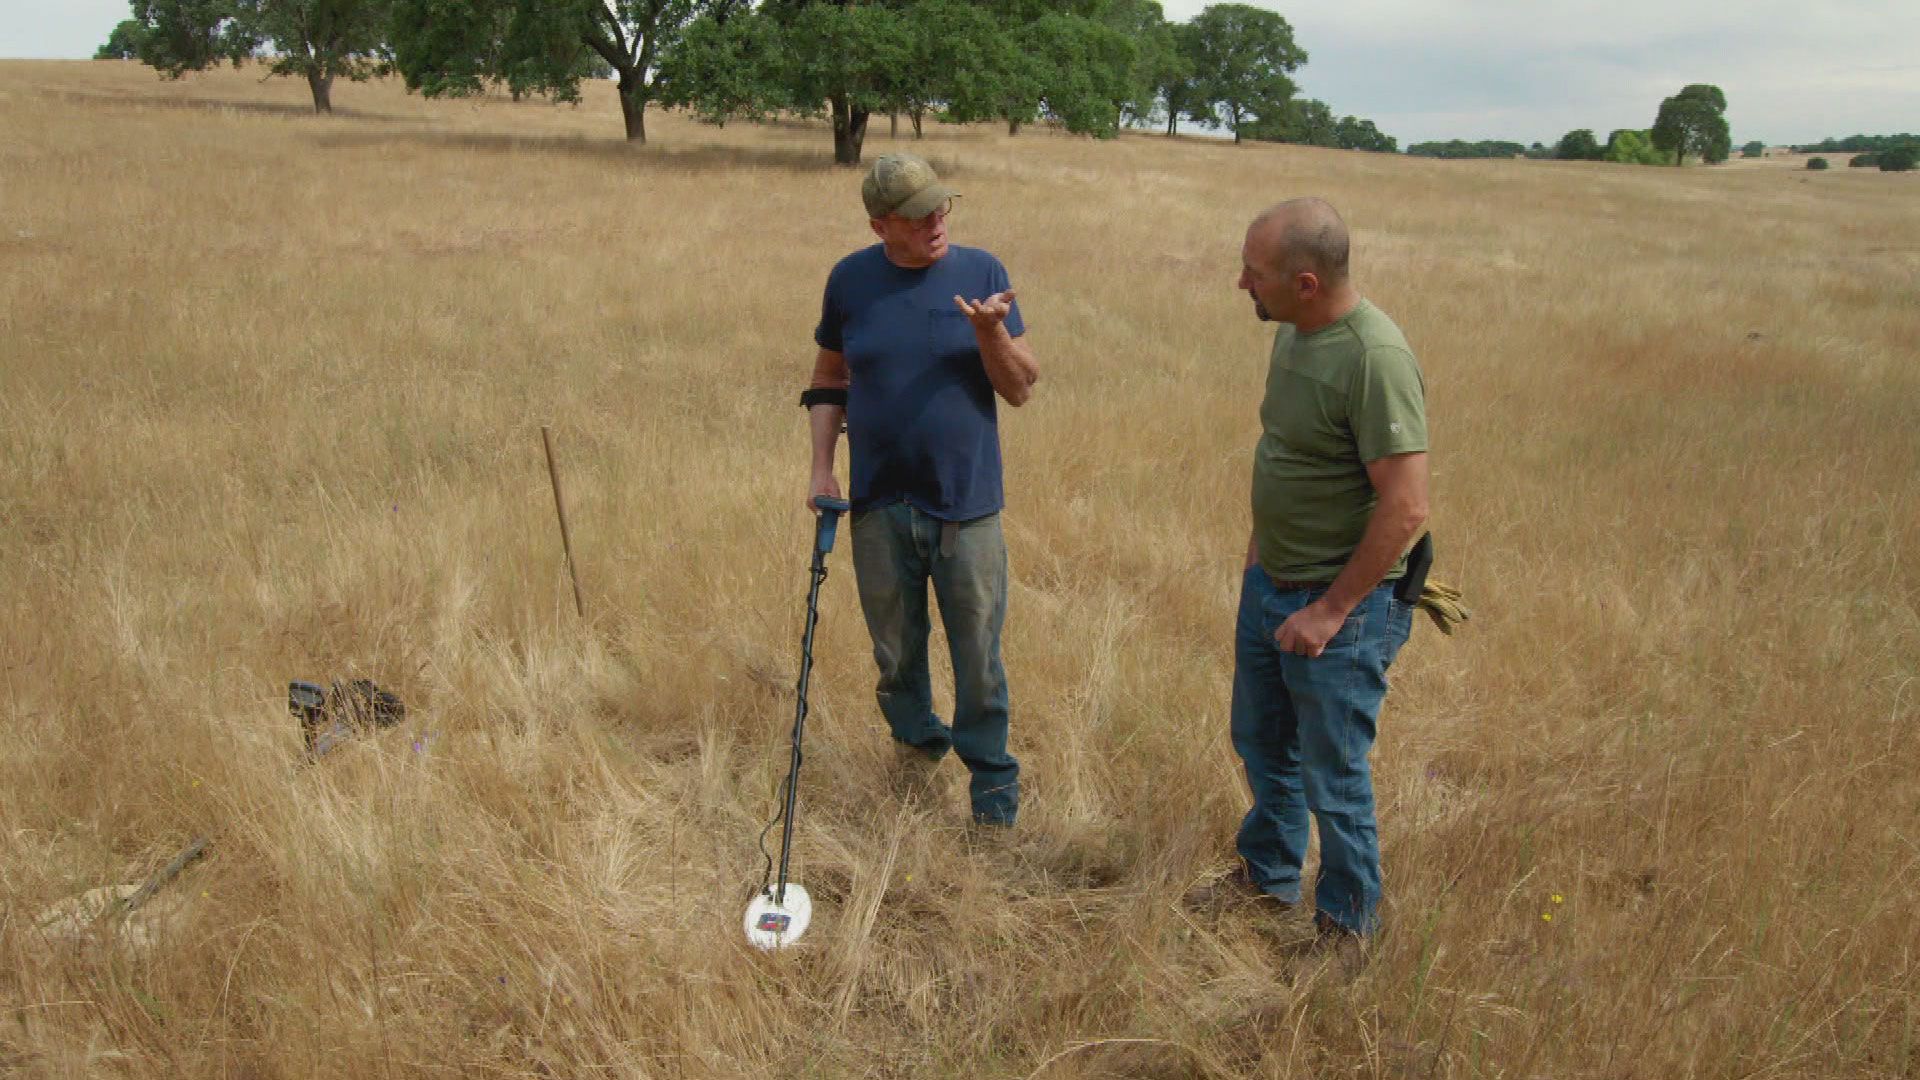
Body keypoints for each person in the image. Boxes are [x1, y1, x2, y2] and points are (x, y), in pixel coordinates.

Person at [801, 153, 1039, 827]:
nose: (937, 222)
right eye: (917, 215)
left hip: (966, 506)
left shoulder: (982, 273)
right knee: (896, 653)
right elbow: (828, 380)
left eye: (942, 207)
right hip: (879, 506)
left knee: (979, 659)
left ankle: (992, 792)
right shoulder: (849, 282)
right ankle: (917, 749)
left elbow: (1021, 387)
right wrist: (822, 467)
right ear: (881, 224)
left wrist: (990, 332)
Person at [1225, 197, 1429, 941]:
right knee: (1261, 742)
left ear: (1305, 282)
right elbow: (1286, 456)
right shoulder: (1293, 333)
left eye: (1255, 272)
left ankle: (1347, 929)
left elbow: (1406, 508)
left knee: (1332, 776)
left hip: (1341, 607)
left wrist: (1330, 610)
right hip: (1272, 585)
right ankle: (1267, 878)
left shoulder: (1373, 358)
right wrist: (1259, 563)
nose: (1241, 283)